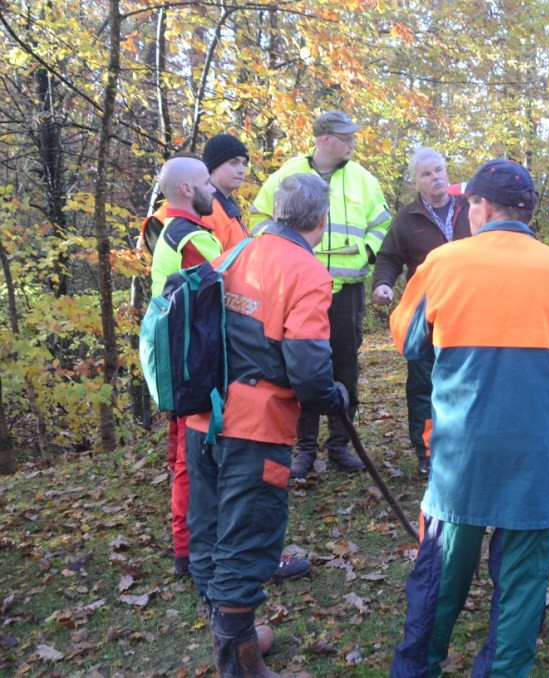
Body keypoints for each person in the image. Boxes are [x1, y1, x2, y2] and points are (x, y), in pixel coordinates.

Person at [390, 159, 549, 676]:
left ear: (479, 206)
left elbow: (407, 341)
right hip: (535, 453)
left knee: (439, 580)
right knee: (523, 588)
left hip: (462, 455)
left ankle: (418, 667)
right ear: (527, 212)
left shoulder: (443, 263)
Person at [186, 174, 347, 673]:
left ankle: (235, 637)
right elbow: (308, 367)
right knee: (247, 543)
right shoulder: (308, 272)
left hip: (203, 420)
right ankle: (241, 665)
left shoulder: (233, 254)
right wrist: (334, 397)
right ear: (320, 221)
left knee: (210, 535)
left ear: (276, 212)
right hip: (255, 432)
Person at [251, 110, 392, 478]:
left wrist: (365, 253)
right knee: (300, 367)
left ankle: (340, 446)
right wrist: (283, 255)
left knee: (345, 366)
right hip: (295, 292)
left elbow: (382, 224)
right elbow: (257, 219)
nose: (353, 143)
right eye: (347, 137)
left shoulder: (364, 179)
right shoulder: (286, 175)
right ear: (325, 138)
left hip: (345, 294)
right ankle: (304, 450)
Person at [370, 148, 471, 480]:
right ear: (416, 182)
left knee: (469, 382)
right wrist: (383, 285)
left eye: (439, 170)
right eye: (427, 174)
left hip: (472, 313)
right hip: (427, 317)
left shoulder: (472, 208)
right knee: (423, 386)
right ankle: (427, 451)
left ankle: (466, 445)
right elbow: (388, 257)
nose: (436, 177)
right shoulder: (407, 218)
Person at [148, 155, 221, 577]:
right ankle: (189, 551)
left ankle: (186, 549)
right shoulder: (190, 238)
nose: (213, 190)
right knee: (190, 459)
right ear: (188, 190)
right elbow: (230, 285)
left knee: (185, 458)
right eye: (207, 183)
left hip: (178, 358)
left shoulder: (169, 232)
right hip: (192, 363)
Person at [202, 133, 251, 250]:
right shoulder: (206, 210)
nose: (241, 170)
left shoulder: (226, 205)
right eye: (234, 163)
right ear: (213, 167)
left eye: (244, 163)